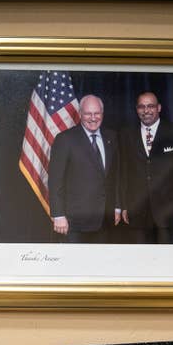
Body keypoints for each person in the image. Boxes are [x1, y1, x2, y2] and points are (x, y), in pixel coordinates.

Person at [120, 91, 173, 244]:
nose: (146, 111)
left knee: (167, 260)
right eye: (141, 107)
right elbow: (123, 173)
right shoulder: (126, 134)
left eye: (150, 106)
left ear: (159, 108)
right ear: (136, 109)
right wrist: (123, 205)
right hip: (136, 211)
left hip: (169, 210)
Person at [48, 94, 121, 243]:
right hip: (74, 223)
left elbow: (116, 175)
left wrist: (117, 207)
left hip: (105, 221)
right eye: (88, 113)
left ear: (102, 113)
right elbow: (55, 180)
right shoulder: (65, 139)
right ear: (80, 114)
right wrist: (58, 215)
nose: (93, 118)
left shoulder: (112, 137)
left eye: (97, 113)